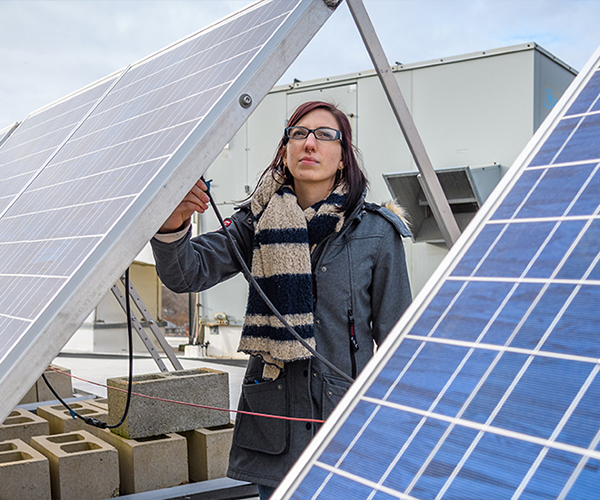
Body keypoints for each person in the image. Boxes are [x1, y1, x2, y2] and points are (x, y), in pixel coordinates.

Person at [150, 101, 412, 499]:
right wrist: (172, 225)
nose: (310, 143)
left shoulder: (376, 232)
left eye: (325, 135)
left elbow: (398, 343)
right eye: (299, 134)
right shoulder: (254, 223)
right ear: (285, 152)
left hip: (344, 420)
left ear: (343, 157)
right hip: (275, 423)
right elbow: (186, 272)